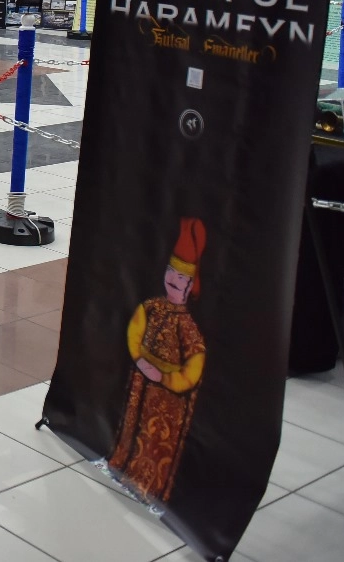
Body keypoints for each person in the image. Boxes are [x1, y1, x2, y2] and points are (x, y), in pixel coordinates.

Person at [108, 216, 208, 503]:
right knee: (131, 428)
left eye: (181, 277)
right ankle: (121, 467)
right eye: (171, 272)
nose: (173, 280)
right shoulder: (150, 308)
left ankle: (149, 486)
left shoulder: (188, 329)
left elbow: (194, 369)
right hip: (140, 384)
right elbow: (134, 333)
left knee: (157, 444)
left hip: (168, 401)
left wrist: (164, 378)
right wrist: (140, 361)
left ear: (191, 285)